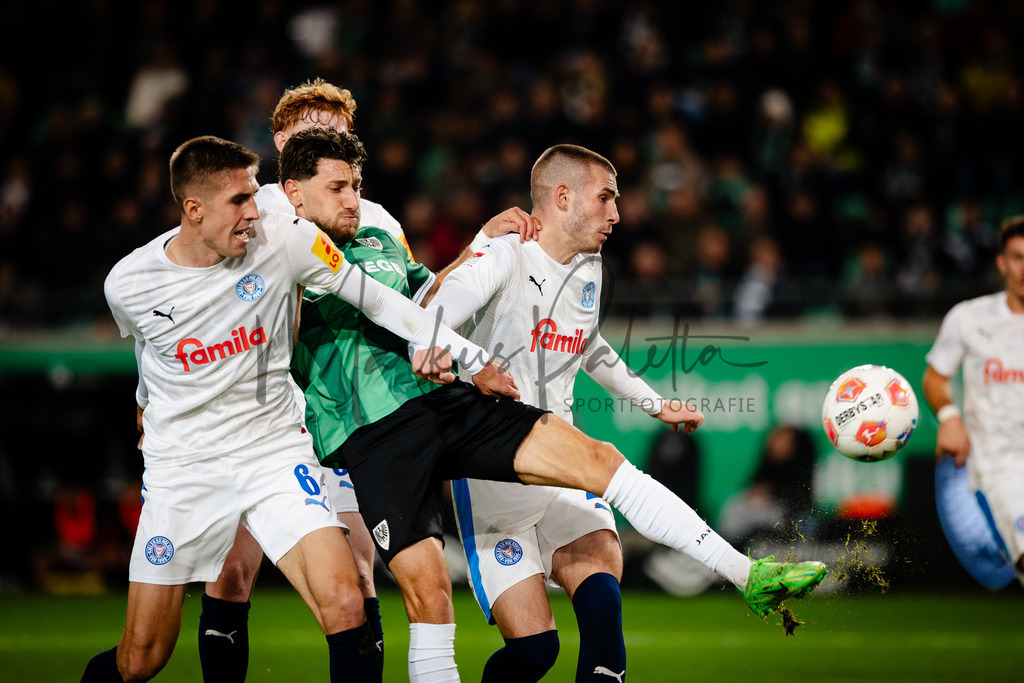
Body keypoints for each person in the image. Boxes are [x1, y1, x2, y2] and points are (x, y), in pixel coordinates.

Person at [278, 130, 828, 682]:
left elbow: (584, 342)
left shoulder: (587, 268)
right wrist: (456, 351)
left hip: (535, 442)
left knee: (604, 588)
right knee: (526, 648)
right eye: (606, 197)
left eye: (356, 185)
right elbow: (430, 310)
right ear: (563, 198)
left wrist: (654, 401)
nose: (618, 211)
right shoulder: (499, 256)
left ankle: (746, 574)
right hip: (475, 481)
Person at [82, 134, 515, 683]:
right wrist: (144, 403)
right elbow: (151, 344)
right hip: (184, 466)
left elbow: (380, 299)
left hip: (273, 453)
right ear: (193, 209)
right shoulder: (128, 283)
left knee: (346, 601)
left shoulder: (285, 238)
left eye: (253, 196)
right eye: (239, 201)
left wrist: (471, 359)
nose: (254, 212)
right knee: (142, 658)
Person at [200, 78, 537, 682]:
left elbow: (413, 295)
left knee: (357, 580)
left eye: (340, 131)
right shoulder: (252, 207)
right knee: (231, 571)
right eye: (314, 128)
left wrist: (480, 244)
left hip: (349, 417)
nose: (330, 137)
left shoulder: (372, 215)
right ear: (281, 140)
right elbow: (193, 299)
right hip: (262, 418)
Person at [923, 214, 1024, 586]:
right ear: (1001, 262)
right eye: (1017, 257)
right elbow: (935, 376)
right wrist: (949, 416)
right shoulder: (968, 318)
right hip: (1001, 468)